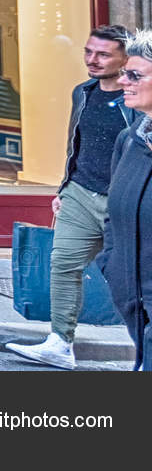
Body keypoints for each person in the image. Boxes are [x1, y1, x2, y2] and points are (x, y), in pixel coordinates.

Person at [6, 24, 135, 370]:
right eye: (89, 52)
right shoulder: (83, 92)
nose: (92, 60)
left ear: (125, 58)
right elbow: (75, 144)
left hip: (122, 202)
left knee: (131, 279)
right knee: (62, 265)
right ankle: (60, 343)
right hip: (80, 193)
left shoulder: (136, 99)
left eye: (103, 54)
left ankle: (143, 352)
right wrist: (65, 187)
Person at [100, 30, 152, 372]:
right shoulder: (129, 139)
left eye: (134, 75)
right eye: (123, 73)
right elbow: (112, 213)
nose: (123, 82)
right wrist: (112, 265)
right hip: (133, 298)